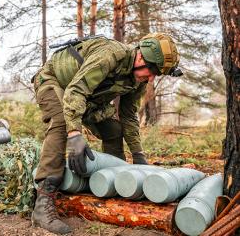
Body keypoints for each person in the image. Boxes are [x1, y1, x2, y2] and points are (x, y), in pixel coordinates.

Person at [31, 33, 181, 234]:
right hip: (54, 82)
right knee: (60, 124)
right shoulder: (110, 55)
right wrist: (75, 133)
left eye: (157, 74)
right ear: (140, 57)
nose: (152, 77)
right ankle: (43, 202)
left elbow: (128, 116)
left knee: (114, 129)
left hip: (85, 98)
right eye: (152, 69)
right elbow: (75, 92)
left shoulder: (138, 80)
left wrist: (138, 155)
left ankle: (110, 184)